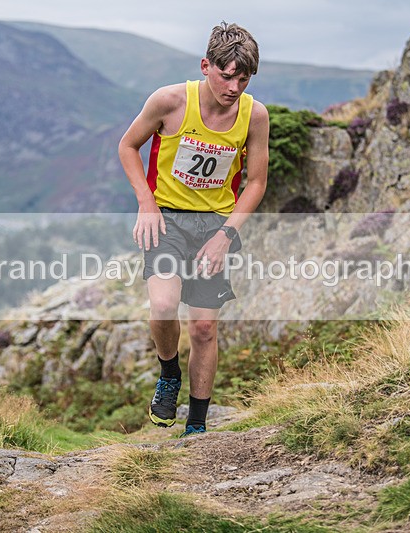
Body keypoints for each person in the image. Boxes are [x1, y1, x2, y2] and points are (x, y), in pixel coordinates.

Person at [118, 22, 269, 437]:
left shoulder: (254, 115)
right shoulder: (169, 101)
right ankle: (169, 374)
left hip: (214, 227)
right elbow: (127, 146)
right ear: (206, 65)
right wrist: (145, 201)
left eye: (244, 78)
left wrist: (227, 235)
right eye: (226, 75)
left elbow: (255, 183)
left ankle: (196, 426)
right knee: (164, 306)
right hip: (167, 219)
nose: (234, 86)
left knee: (204, 327)